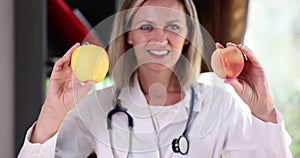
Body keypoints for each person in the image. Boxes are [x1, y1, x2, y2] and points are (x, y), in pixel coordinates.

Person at [18, 0, 293, 157]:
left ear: (187, 37)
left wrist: (263, 109)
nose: (160, 39)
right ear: (129, 34)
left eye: (173, 26)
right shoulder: (98, 106)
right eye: (146, 26)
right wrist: (53, 111)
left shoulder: (220, 106)